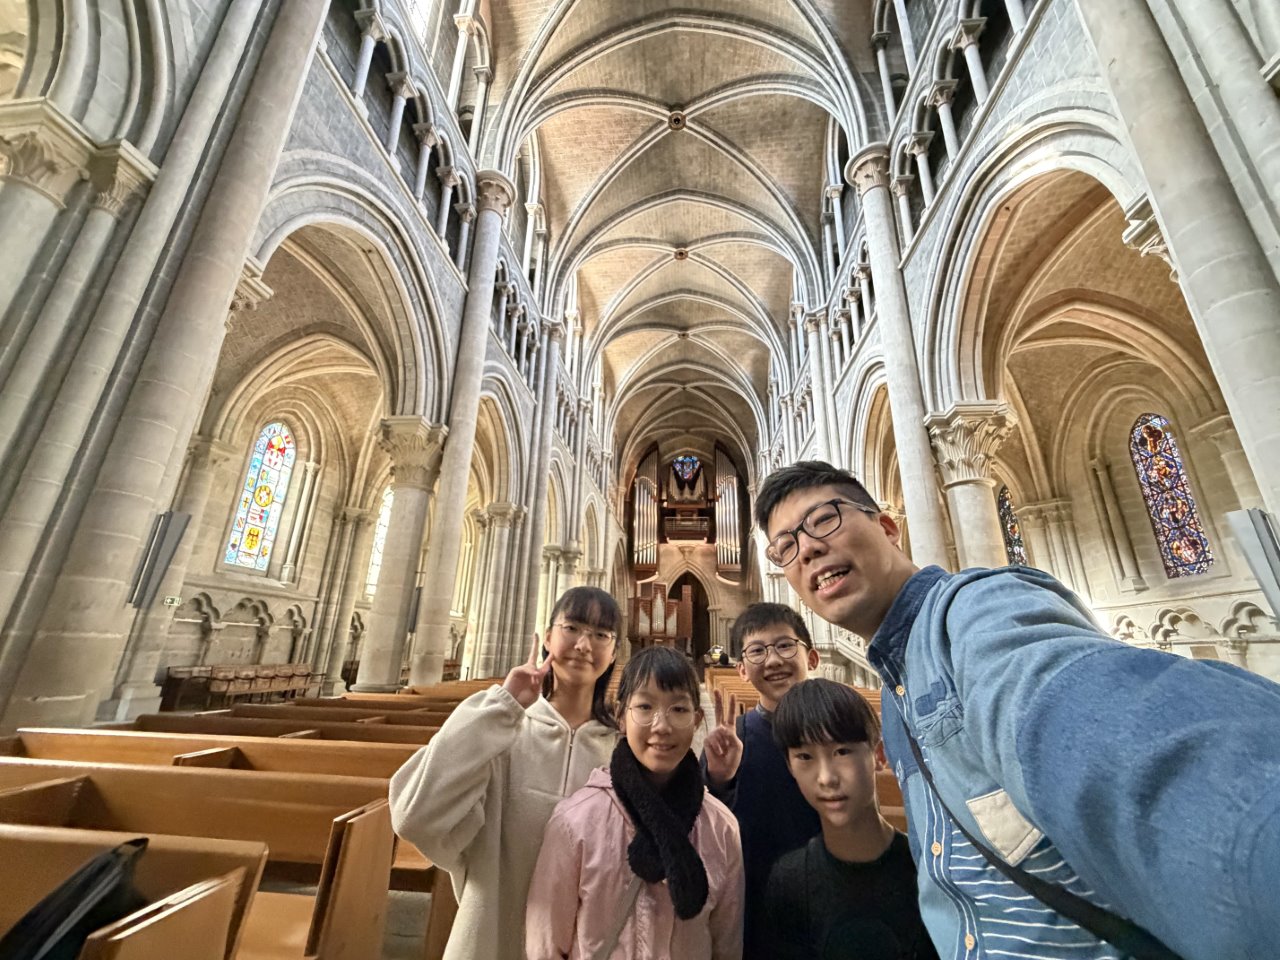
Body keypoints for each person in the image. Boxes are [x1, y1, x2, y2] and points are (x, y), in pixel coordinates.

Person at [755, 460, 1280, 960]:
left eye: (824, 519)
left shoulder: (976, 616)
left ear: (888, 528)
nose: (808, 549)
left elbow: (1139, 756)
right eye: (786, 546)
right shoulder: (896, 688)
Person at [389, 586, 621, 960]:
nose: (583, 645)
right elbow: (414, 817)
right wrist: (501, 706)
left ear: (614, 653)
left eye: (600, 634)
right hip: (492, 939)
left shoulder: (620, 751)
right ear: (548, 638)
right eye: (573, 628)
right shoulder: (501, 731)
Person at [526, 645, 744, 960]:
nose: (662, 726)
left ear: (697, 720)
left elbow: (726, 945)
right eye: (644, 706)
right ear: (620, 717)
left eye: (678, 709)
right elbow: (545, 946)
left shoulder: (722, 828)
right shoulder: (575, 823)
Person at [764, 678, 938, 960]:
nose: (826, 778)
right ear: (790, 766)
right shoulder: (790, 881)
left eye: (842, 752)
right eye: (805, 757)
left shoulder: (928, 869)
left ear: (879, 754)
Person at [700, 602, 822, 959]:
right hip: (754, 906)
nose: (773, 660)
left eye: (785, 645)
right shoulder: (733, 739)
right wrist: (719, 780)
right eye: (757, 651)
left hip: (828, 901)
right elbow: (705, 828)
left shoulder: (838, 732)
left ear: (812, 657)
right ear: (741, 669)